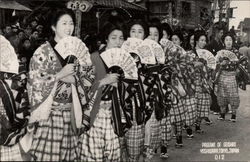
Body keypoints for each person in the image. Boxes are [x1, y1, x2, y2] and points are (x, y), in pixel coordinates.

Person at [27, 8, 95, 161]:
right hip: (50, 114)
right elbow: (34, 81)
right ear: (53, 27)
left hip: (72, 112)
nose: (68, 27)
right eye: (64, 23)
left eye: (71, 23)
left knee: (69, 156)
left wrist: (76, 80)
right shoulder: (43, 52)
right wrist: (59, 75)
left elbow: (89, 79)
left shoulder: (79, 52)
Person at [79, 21, 127, 161]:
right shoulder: (93, 58)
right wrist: (103, 82)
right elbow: (82, 88)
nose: (118, 42)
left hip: (115, 113)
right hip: (95, 112)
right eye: (113, 37)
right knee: (93, 155)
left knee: (113, 155)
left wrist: (121, 87)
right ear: (106, 38)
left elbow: (131, 89)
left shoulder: (125, 59)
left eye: (121, 38)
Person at [216, 33, 242, 122]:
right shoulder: (221, 52)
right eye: (226, 40)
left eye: (230, 40)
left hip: (232, 76)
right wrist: (220, 64)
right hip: (222, 76)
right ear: (224, 42)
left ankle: (233, 114)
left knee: (233, 95)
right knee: (222, 95)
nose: (228, 42)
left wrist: (238, 67)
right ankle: (222, 114)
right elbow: (216, 63)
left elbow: (242, 62)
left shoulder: (236, 52)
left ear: (232, 41)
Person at [192, 31, 213, 132]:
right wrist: (195, 64)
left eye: (205, 40)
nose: (204, 42)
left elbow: (210, 67)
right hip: (193, 81)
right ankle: (189, 126)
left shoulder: (207, 54)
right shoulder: (191, 53)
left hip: (203, 81)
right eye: (201, 40)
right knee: (194, 104)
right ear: (196, 41)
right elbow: (187, 67)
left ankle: (197, 125)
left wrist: (208, 68)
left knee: (203, 104)